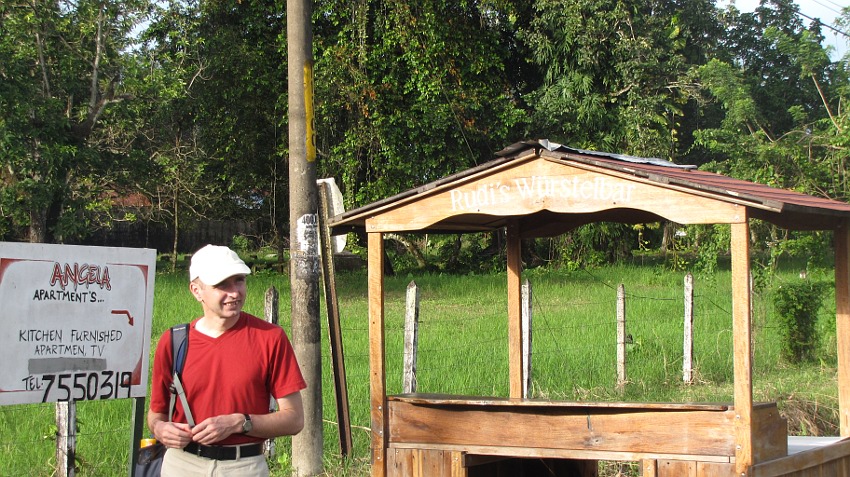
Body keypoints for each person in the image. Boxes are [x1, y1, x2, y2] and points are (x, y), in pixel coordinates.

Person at [147, 244, 306, 477]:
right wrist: (160, 429)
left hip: (244, 466)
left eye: (239, 280)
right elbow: (156, 414)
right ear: (196, 290)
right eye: (222, 284)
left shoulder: (270, 338)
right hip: (182, 464)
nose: (234, 292)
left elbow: (294, 419)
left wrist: (240, 423)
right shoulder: (174, 341)